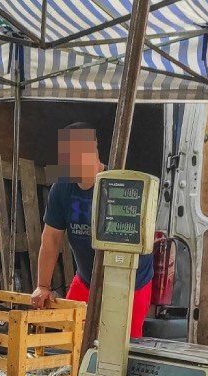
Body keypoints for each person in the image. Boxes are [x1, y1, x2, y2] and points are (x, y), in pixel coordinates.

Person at [32, 123, 152, 338]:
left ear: (93, 150)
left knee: (124, 349)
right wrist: (43, 285)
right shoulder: (62, 188)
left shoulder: (118, 184)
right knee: (69, 340)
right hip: (87, 280)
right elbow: (51, 239)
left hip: (130, 283)